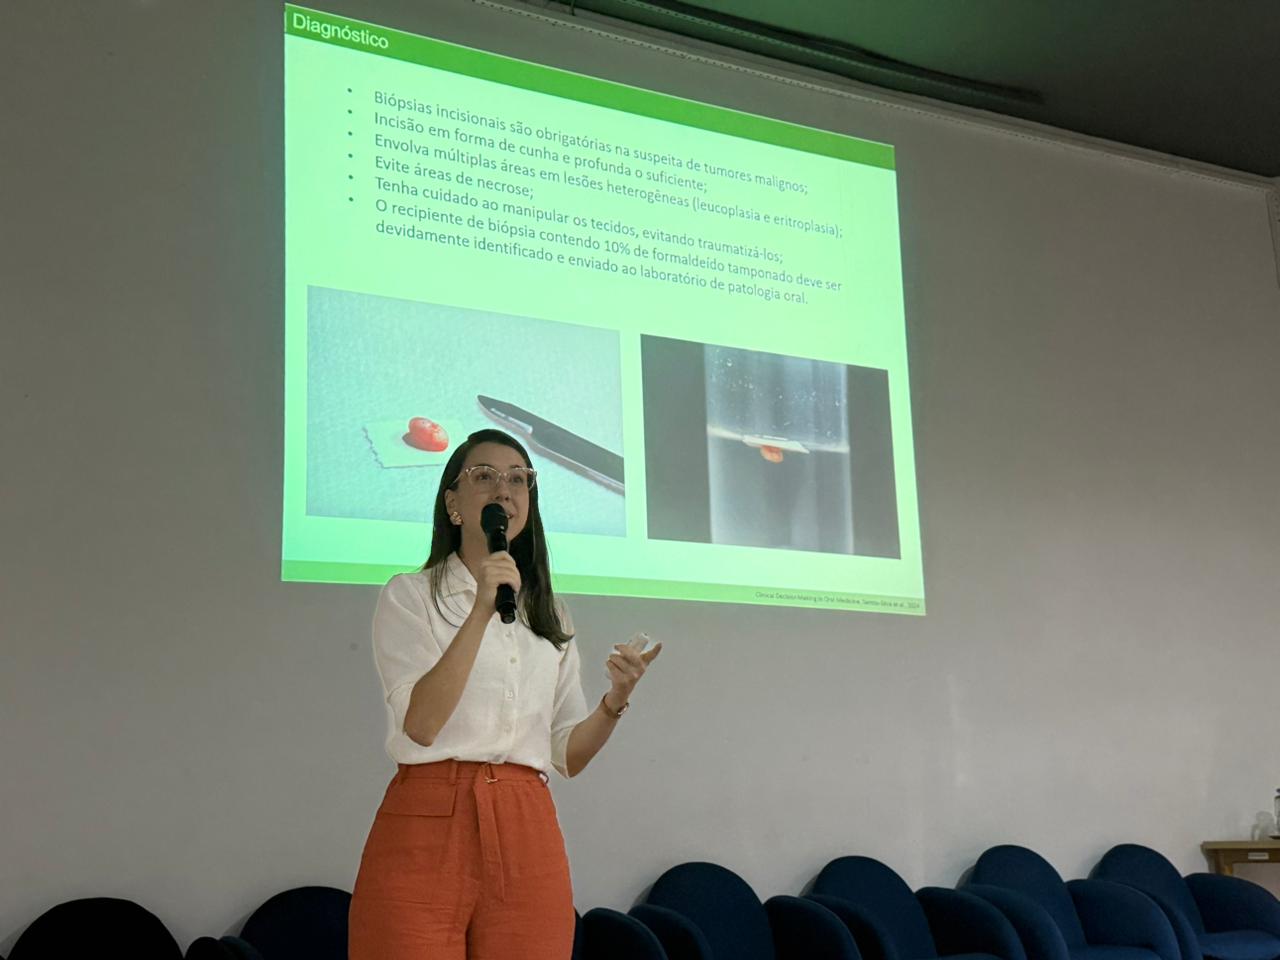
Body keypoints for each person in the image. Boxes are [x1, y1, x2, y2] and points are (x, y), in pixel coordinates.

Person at [348, 428, 661, 960]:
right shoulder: (410, 596)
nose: (504, 490)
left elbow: (566, 755)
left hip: (526, 822)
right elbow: (420, 725)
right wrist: (480, 609)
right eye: (485, 477)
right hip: (428, 819)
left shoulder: (549, 613)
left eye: (519, 479)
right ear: (453, 503)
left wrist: (615, 700)